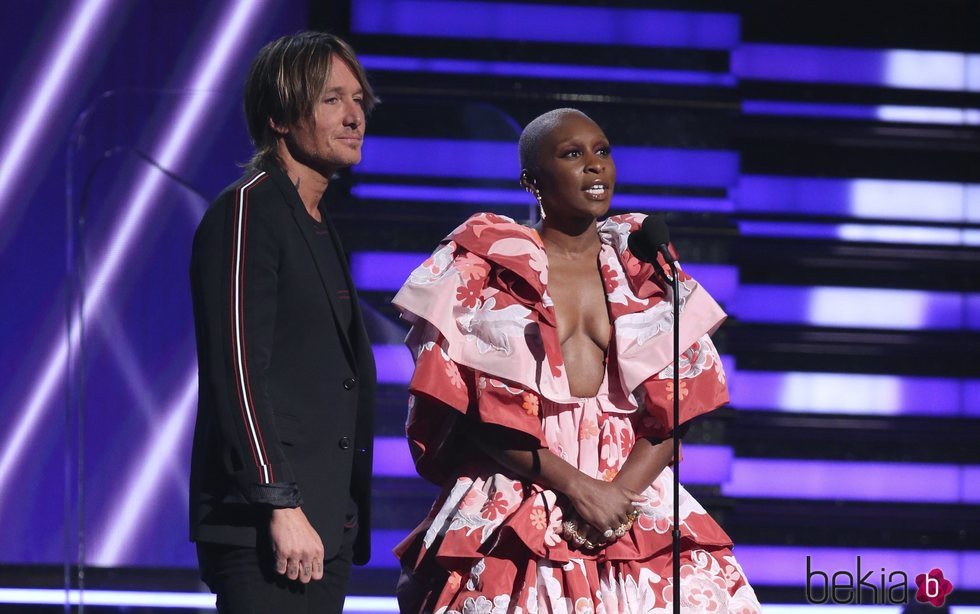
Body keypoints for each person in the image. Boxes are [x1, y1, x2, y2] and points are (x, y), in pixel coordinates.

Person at [392, 108, 761, 612]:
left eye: (602, 151)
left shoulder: (645, 263)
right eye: (572, 154)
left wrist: (615, 498)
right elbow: (472, 408)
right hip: (523, 486)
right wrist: (579, 489)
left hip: (632, 492)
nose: (595, 166)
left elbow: (672, 409)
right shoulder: (487, 265)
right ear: (531, 180)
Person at [188, 32, 376, 613]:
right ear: (278, 116)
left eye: (358, 99)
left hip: (323, 526)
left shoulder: (315, 219)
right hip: (271, 528)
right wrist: (279, 502)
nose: (354, 116)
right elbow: (239, 371)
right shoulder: (249, 209)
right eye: (331, 100)